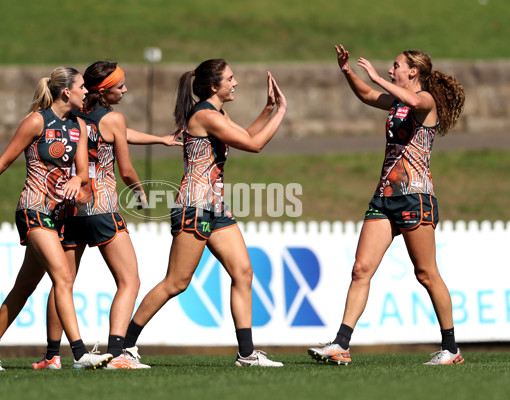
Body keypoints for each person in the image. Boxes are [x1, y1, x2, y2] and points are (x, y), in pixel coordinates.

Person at [121, 59, 287, 367]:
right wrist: (281, 111)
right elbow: (255, 145)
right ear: (214, 87)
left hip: (216, 208)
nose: (235, 83)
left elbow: (244, 136)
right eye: (230, 78)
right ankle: (124, 347)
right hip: (194, 207)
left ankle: (246, 355)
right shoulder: (205, 115)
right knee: (176, 283)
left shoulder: (217, 114)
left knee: (243, 273)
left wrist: (267, 109)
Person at [308, 45, 466, 366]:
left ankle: (451, 349)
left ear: (413, 72)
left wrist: (379, 78)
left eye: (396, 66)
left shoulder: (425, 102)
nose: (392, 69)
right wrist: (347, 71)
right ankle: (341, 344)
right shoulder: (396, 102)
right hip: (385, 197)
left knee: (426, 273)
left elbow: (412, 99)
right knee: (360, 269)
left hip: (414, 197)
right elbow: (367, 95)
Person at [0, 66, 113, 370]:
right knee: (64, 277)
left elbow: (82, 172)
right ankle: (79, 354)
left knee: (24, 286)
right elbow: (3, 161)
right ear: (66, 92)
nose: (86, 92)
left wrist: (77, 182)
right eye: (81, 87)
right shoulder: (37, 121)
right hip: (32, 209)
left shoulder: (79, 125)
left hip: (57, 216)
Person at [31, 61, 180, 371]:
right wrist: (139, 191)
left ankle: (51, 356)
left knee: (63, 283)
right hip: (102, 208)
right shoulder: (114, 120)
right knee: (129, 280)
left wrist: (158, 139)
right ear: (104, 90)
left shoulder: (72, 117)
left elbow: (119, 133)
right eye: (120, 85)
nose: (125, 89)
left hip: (70, 208)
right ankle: (118, 353)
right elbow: (124, 167)